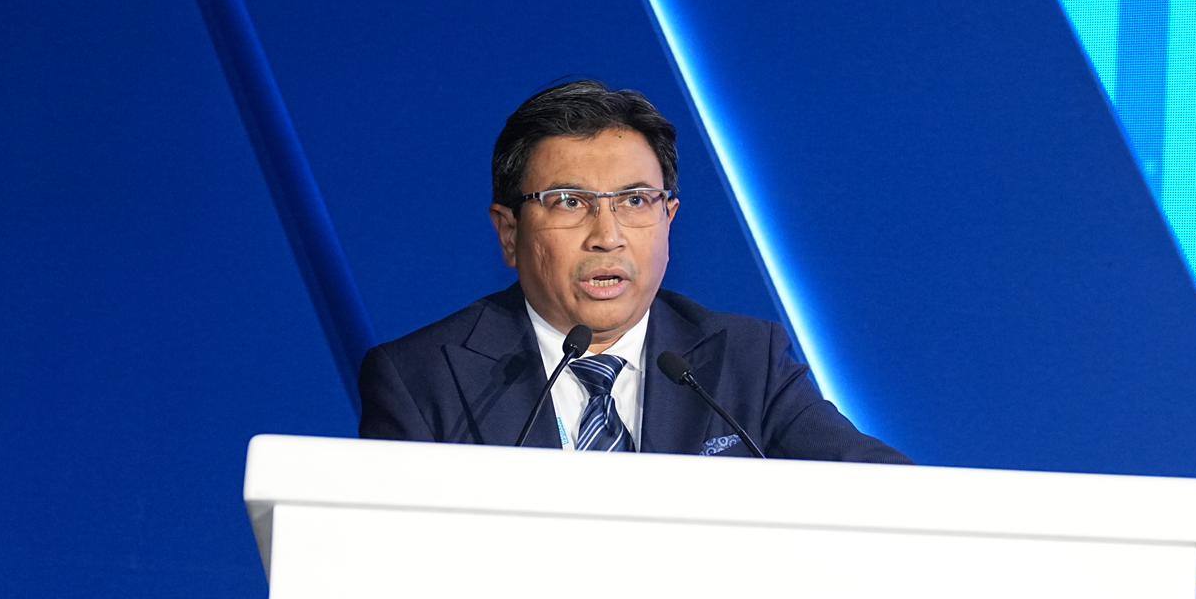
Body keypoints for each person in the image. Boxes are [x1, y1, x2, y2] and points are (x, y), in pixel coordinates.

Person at [358, 80, 909, 463]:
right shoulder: (420, 378)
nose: (607, 234)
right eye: (569, 202)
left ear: (669, 220)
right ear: (509, 232)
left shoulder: (747, 362)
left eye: (636, 201)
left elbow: (888, 493)